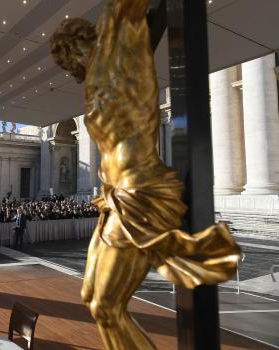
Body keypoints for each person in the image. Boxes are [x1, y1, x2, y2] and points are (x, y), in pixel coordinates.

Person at [50, 3, 240, 349]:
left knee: (107, 306)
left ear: (80, 43)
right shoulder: (97, 76)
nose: (70, 68)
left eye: (68, 58)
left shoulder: (119, 39)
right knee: (91, 296)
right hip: (115, 197)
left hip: (142, 191)